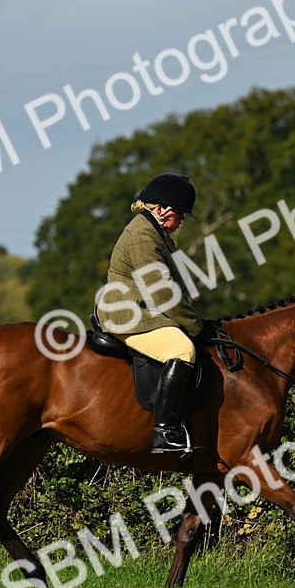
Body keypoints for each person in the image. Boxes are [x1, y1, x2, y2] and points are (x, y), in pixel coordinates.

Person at [95, 172, 204, 454]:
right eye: (180, 213)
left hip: (143, 309)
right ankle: (164, 433)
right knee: (182, 350)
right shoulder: (142, 236)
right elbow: (163, 293)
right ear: (162, 209)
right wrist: (196, 326)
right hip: (127, 314)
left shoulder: (154, 232)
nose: (181, 220)